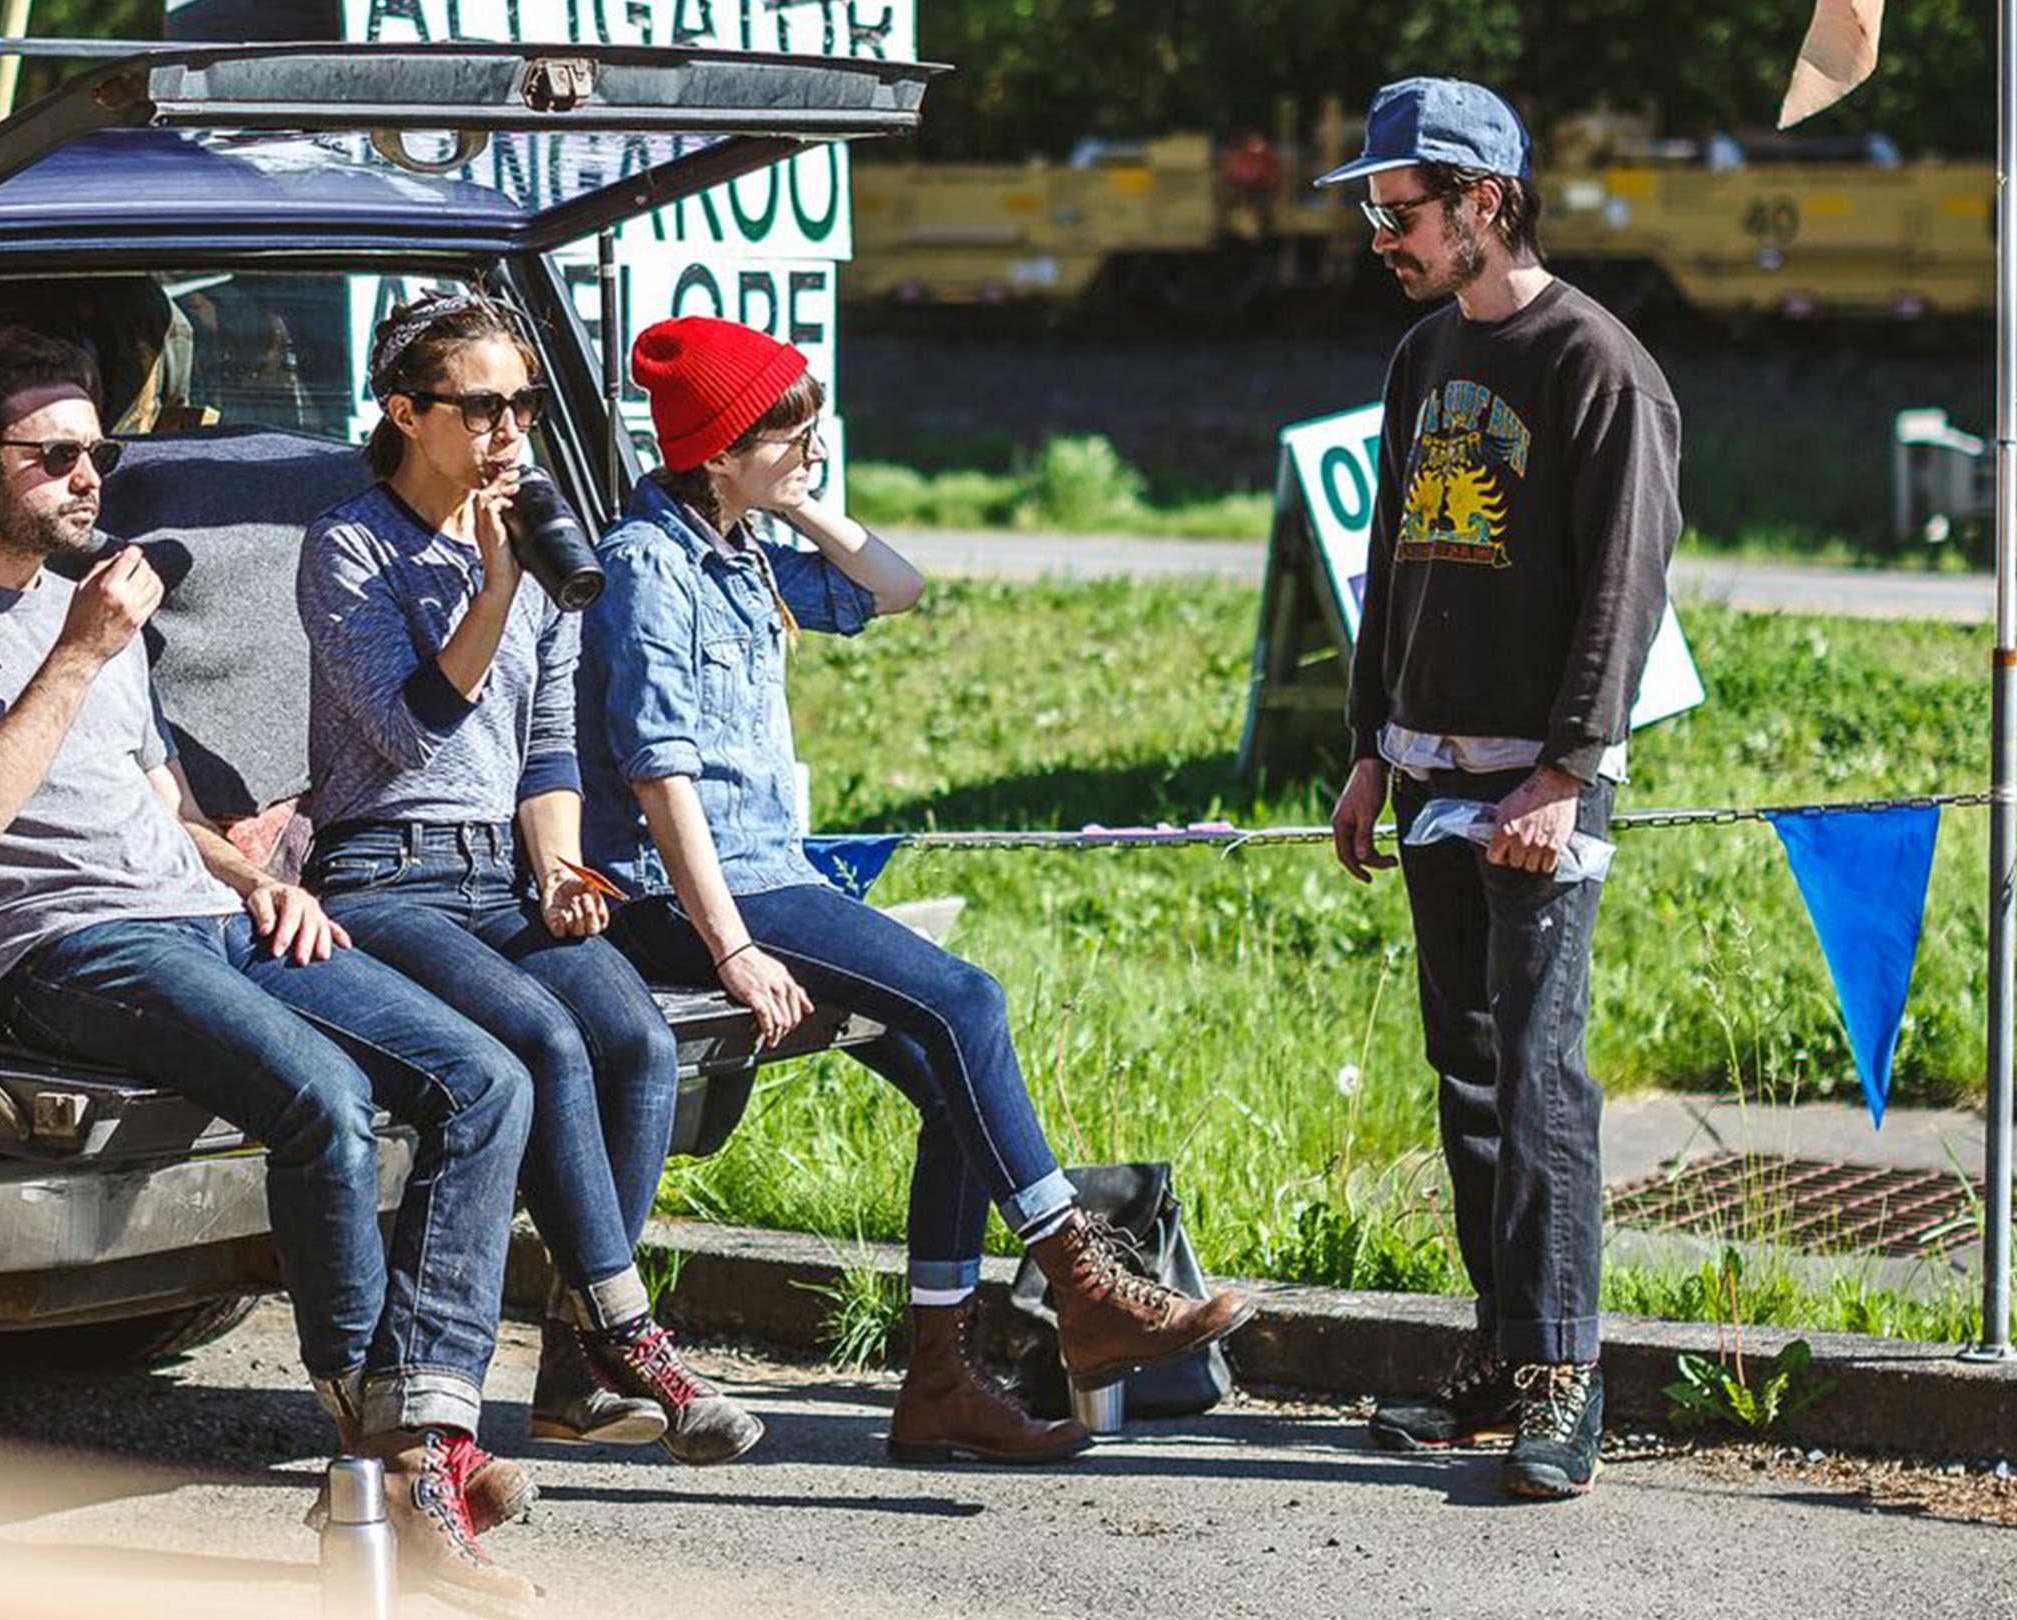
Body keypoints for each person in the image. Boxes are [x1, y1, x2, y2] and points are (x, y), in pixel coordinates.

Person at [0, 327, 539, 1604]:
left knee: (484, 1078)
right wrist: (77, 653)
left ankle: (430, 1425)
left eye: (98, 452)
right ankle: (372, 1467)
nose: (87, 476)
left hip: (206, 912)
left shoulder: (102, 612)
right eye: (54, 456)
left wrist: (263, 882)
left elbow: (162, 812)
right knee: (323, 1101)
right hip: (66, 940)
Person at [578, 315, 1257, 1465]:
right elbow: (658, 776)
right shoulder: (648, 565)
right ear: (713, 452)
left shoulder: (736, 543)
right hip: (690, 889)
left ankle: (941, 1379)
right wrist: (733, 944)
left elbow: (897, 588)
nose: (811, 451)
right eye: (788, 438)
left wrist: (793, 503)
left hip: (769, 870)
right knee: (969, 1002)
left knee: (953, 1079)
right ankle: (1080, 1280)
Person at [298, 290, 764, 1466]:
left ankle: (574, 1359)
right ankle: (629, 1332)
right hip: (382, 873)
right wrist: (495, 587)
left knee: (635, 1038)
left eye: (526, 406)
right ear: (406, 412)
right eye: (483, 406)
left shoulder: (539, 545)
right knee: (541, 1043)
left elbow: (548, 740)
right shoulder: (350, 543)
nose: (511, 431)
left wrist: (559, 863)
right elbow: (411, 734)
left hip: (500, 872)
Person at [1316, 78, 1682, 1500]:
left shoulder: (1599, 365)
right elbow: (1390, 565)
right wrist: (1367, 747)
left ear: (1485, 202)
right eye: (1372, 212)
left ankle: (1564, 1378)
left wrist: (1566, 770)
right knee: (1468, 1079)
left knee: (1538, 1082)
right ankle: (1497, 1353)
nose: (1379, 236)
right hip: (1426, 768)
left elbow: (1623, 592)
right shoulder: (1421, 355)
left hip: (1541, 787)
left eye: (1397, 211)